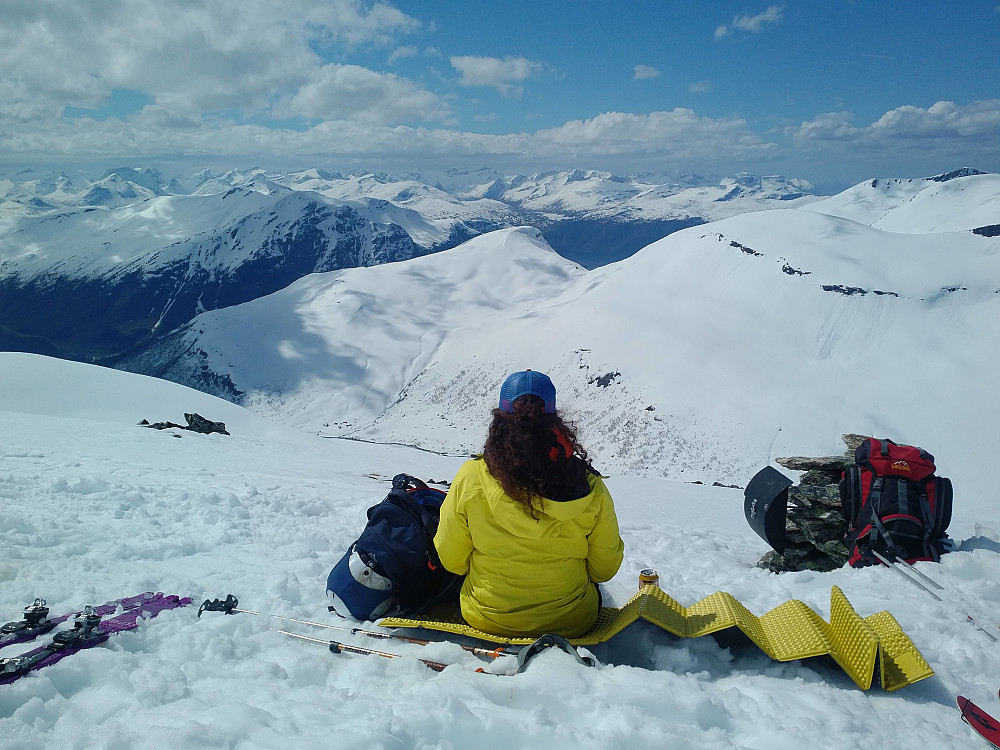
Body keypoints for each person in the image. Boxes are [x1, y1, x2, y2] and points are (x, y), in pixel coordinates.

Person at [433, 370, 624, 638]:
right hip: (573, 620)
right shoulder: (589, 486)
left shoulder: (471, 476)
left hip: (486, 617)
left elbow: (452, 560)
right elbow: (604, 569)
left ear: (499, 421)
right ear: (554, 420)